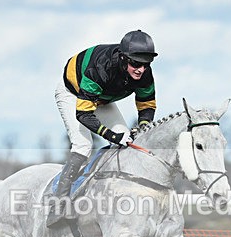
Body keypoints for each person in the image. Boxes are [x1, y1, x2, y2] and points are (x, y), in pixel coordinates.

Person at [47, 29, 158, 226]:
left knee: (127, 141)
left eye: (146, 64)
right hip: (73, 94)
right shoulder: (101, 68)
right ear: (123, 58)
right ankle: (58, 204)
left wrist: (142, 128)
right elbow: (83, 114)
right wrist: (111, 136)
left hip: (101, 99)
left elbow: (146, 105)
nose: (140, 69)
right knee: (83, 145)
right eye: (135, 63)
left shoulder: (144, 74)